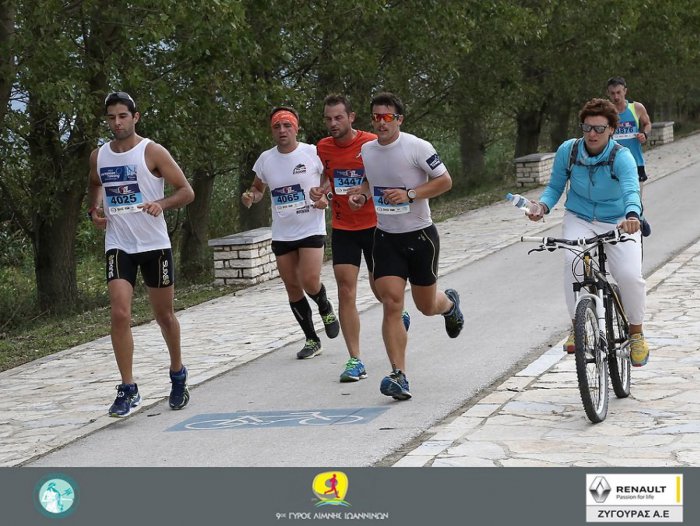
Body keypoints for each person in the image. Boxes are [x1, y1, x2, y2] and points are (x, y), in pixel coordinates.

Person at [348, 92, 464, 401]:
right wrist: (360, 195)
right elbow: (368, 182)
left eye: (387, 117)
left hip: (420, 236)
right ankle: (398, 375)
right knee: (392, 303)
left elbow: (445, 181)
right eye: (375, 117)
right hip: (385, 237)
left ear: (399, 119)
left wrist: (410, 194)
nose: (381, 123)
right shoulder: (367, 150)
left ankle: (449, 305)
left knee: (426, 306)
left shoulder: (417, 147)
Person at [87, 91, 195, 417]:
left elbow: (186, 192)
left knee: (164, 315)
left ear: (136, 117)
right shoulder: (99, 156)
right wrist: (94, 209)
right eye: (111, 117)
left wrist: (160, 204)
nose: (116, 123)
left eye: (122, 116)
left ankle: (177, 373)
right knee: (120, 314)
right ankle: (128, 387)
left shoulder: (152, 152)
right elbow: (94, 183)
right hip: (119, 244)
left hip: (154, 246)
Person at [526, 98, 649, 366]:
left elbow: (631, 189)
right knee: (573, 266)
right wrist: (542, 206)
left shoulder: (621, 156)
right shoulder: (568, 152)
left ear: (612, 130)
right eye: (587, 127)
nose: (592, 134)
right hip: (579, 217)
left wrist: (631, 216)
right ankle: (577, 327)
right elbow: (555, 186)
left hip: (618, 220)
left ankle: (636, 333)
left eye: (599, 129)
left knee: (629, 275)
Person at [311, 94, 410, 383]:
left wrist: (366, 194)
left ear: (351, 117)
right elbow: (329, 178)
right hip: (343, 228)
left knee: (383, 291)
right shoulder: (323, 147)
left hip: (376, 225)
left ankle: (396, 312)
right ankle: (355, 359)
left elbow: (385, 173)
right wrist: (322, 193)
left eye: (338, 117)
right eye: (328, 119)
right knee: (345, 290)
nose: (333, 123)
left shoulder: (370, 143)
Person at [241, 106, 340, 359]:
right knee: (293, 288)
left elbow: (331, 177)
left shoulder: (312, 153)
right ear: (272, 131)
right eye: (277, 126)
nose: (282, 130)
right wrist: (252, 195)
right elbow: (258, 187)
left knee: (309, 280)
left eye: (287, 125)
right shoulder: (266, 159)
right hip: (283, 232)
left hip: (310, 226)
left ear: (296, 128)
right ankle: (311, 339)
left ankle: (325, 305)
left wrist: (324, 196)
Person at [607, 76, 652, 236]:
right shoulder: (607, 111)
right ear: (608, 94)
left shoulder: (636, 108)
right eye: (612, 93)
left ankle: (639, 218)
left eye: (619, 92)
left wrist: (644, 134)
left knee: (635, 197)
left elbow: (647, 123)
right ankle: (623, 227)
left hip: (636, 161)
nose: (616, 97)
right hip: (613, 163)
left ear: (625, 91)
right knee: (617, 198)